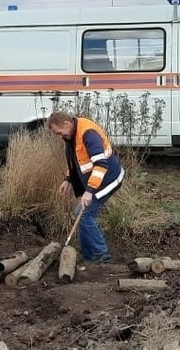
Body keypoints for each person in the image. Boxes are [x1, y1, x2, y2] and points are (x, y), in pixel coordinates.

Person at [47, 111, 124, 264]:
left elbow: (101, 165)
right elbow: (76, 160)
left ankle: (101, 255)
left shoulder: (88, 134)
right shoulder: (71, 135)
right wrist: (68, 179)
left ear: (67, 124)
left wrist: (89, 192)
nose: (59, 136)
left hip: (108, 178)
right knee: (80, 214)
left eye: (59, 132)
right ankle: (88, 255)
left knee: (85, 215)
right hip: (96, 180)